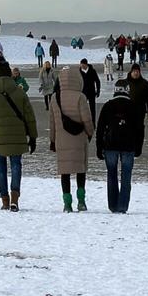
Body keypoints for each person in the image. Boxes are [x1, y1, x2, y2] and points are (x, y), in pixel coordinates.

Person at [0, 60, 37, 212]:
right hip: (17, 137)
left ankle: (5, 200)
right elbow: (30, 117)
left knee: (1, 168)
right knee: (16, 165)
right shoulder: (20, 93)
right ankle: (15, 199)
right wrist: (33, 137)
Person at [50, 67, 95, 212]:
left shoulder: (54, 97)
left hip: (61, 140)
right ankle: (81, 201)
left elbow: (52, 123)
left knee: (65, 172)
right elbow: (87, 119)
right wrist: (90, 133)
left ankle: (67, 203)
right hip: (79, 139)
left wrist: (52, 140)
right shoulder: (80, 97)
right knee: (80, 170)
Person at [96, 85, 145, 214]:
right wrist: (139, 147)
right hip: (128, 146)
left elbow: (100, 128)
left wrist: (99, 147)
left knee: (111, 174)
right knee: (126, 175)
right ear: (128, 91)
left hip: (110, 145)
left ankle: (113, 205)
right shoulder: (134, 107)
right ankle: (123, 206)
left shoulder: (108, 106)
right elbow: (140, 129)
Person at [78, 59, 101, 124]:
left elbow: (97, 81)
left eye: (83, 64)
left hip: (91, 92)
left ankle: (93, 123)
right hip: (83, 93)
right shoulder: (79, 72)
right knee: (82, 108)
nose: (81, 66)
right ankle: (83, 122)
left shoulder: (92, 71)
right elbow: (77, 82)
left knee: (92, 109)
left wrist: (98, 90)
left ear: (86, 64)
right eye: (81, 64)